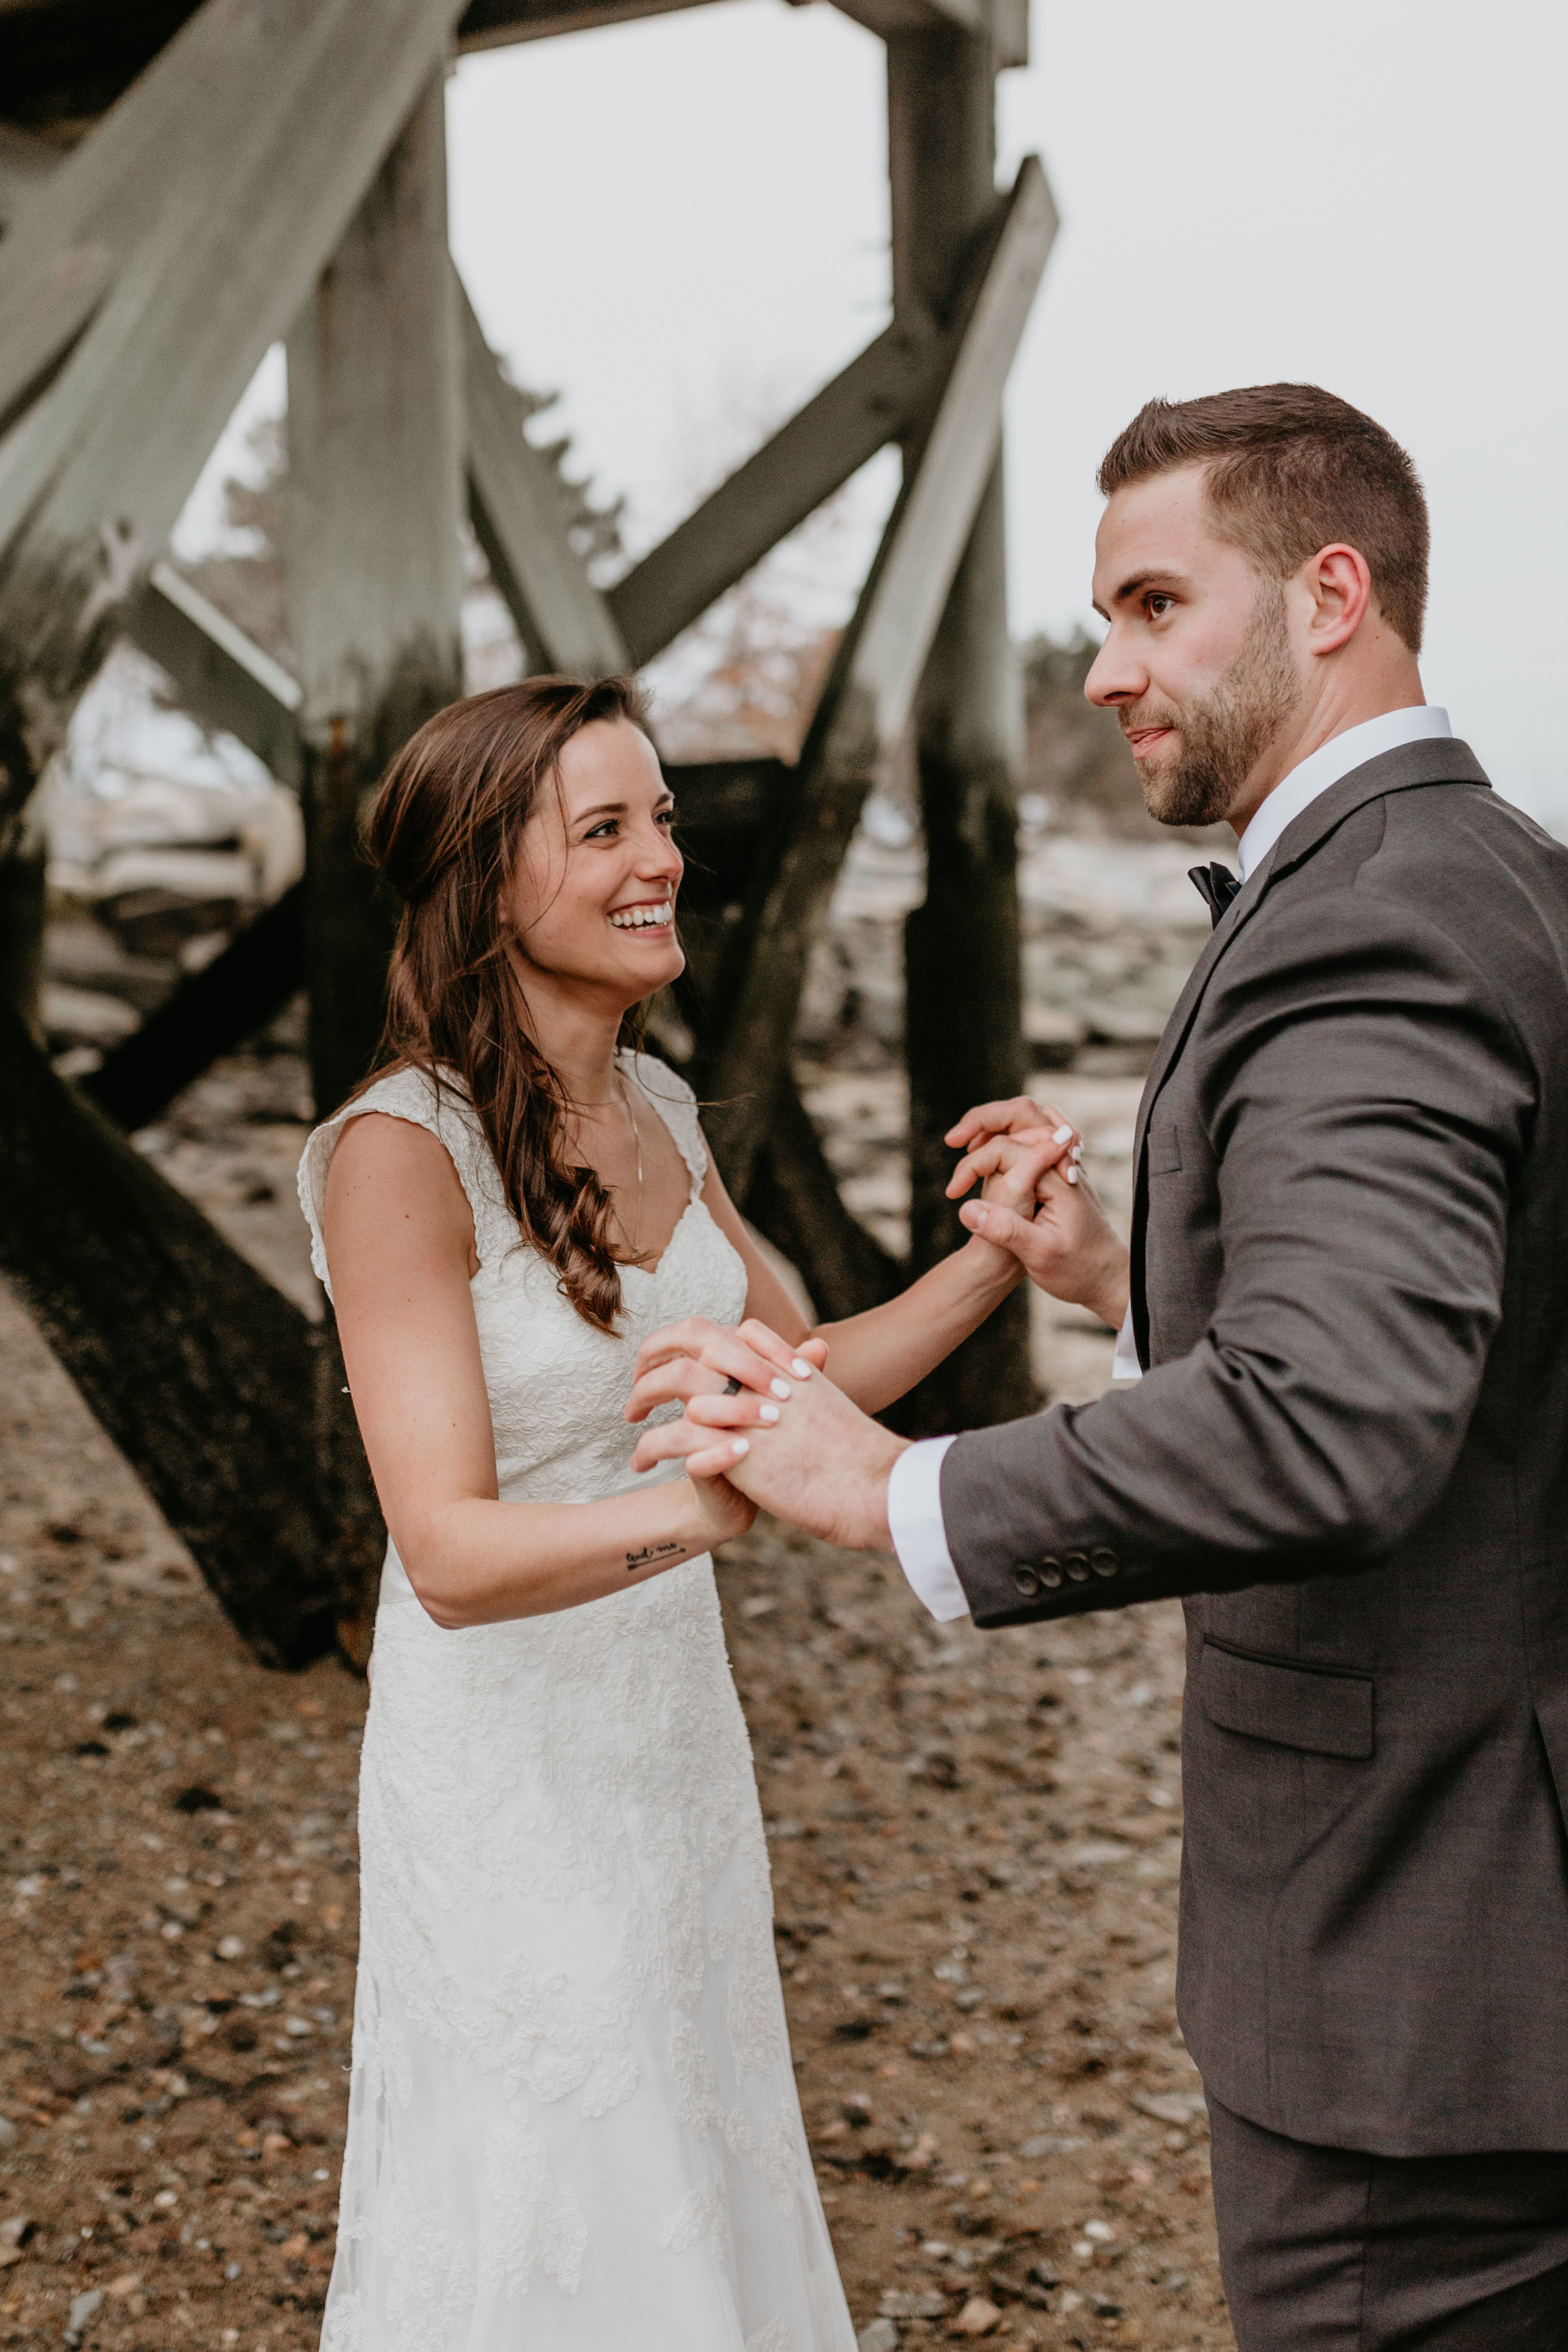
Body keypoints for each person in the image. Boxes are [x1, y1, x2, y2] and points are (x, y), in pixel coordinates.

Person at [628, 385, 1568, 2349]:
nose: (1101, 670)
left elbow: (1333, 1427)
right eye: (1101, 618)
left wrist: (884, 1485)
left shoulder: (1361, 928)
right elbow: (1486, 1352)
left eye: (1151, 606)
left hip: (1422, 1965)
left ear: (1330, 595)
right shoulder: (1504, 873)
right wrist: (1135, 1283)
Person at [297, 672, 1072, 2351]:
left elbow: (801, 1369)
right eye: (606, 829)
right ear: (488, 882)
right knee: (556, 2157)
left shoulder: (653, 1103)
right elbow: (443, 1553)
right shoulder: (393, 1157)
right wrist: (711, 1509)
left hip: (669, 1735)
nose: (663, 859)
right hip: (502, 1759)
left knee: (687, 2121)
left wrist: (998, 1256)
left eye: (658, 818)